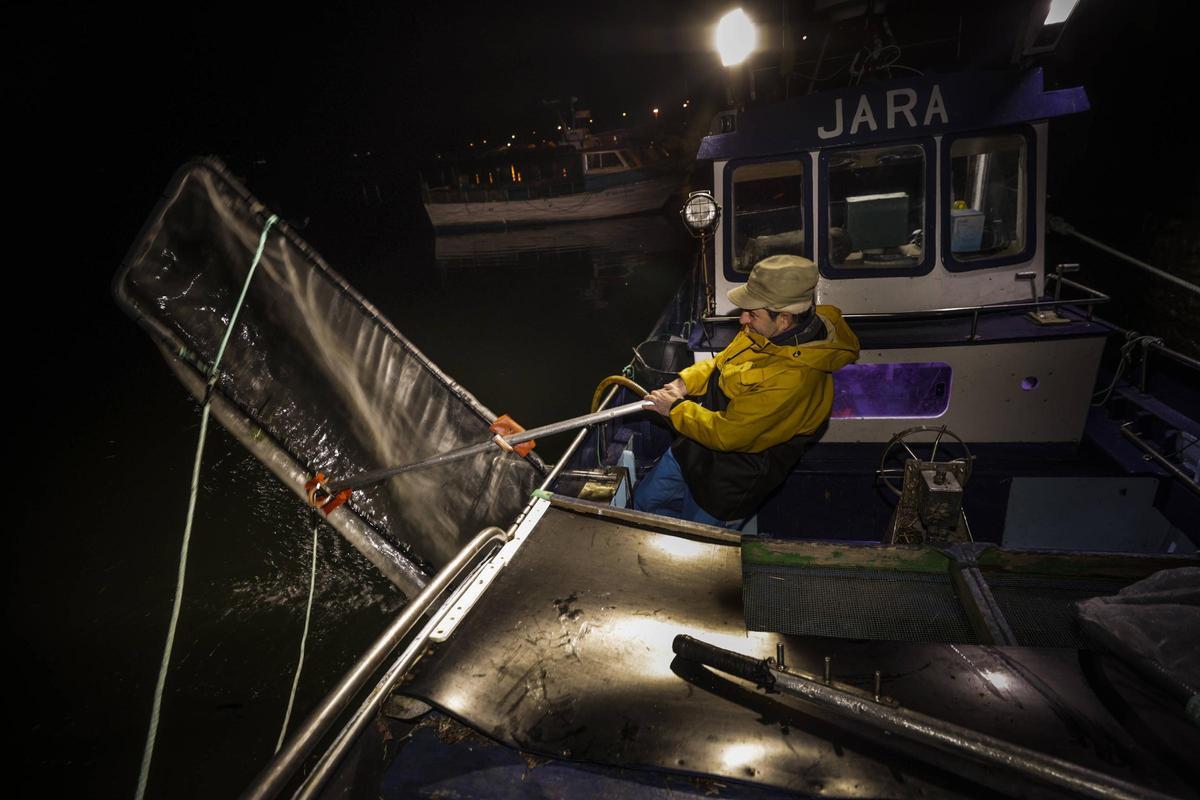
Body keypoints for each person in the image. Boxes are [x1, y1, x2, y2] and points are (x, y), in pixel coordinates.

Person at [634, 254, 859, 526]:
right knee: (645, 502)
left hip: (729, 479)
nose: (742, 320)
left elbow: (728, 434)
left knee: (695, 540)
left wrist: (674, 409)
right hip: (694, 444)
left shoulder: (795, 379)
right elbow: (721, 362)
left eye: (752, 314)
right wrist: (684, 383)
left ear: (784, 319)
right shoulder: (767, 331)